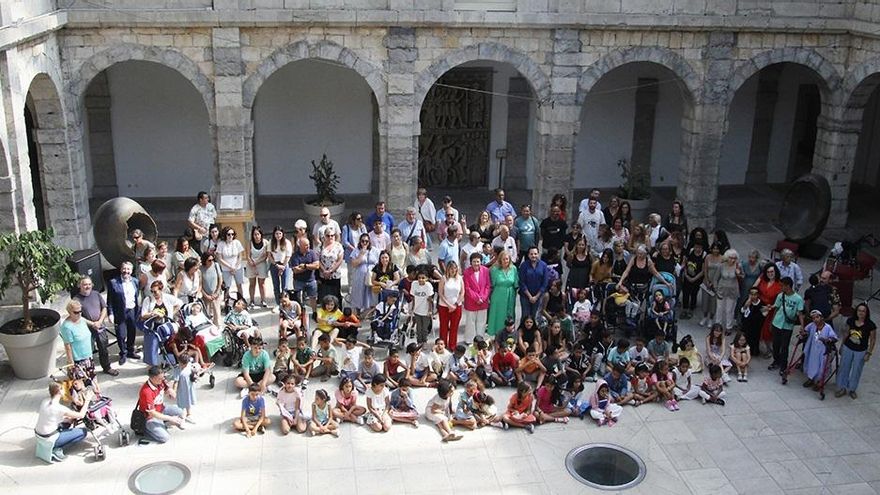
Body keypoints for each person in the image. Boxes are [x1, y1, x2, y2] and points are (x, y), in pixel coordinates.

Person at [35, 381, 93, 461]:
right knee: (83, 432)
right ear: (59, 391)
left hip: (39, 436)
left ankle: (58, 441)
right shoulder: (60, 408)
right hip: (50, 439)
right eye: (63, 389)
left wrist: (67, 419)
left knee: (68, 423)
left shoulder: (45, 401)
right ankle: (56, 448)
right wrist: (87, 400)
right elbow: (81, 415)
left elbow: (51, 416)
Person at [73, 276, 117, 376]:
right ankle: (87, 371)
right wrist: (92, 324)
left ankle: (106, 367)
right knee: (87, 351)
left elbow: (104, 308)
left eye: (89, 284)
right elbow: (77, 315)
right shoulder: (76, 299)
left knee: (103, 349)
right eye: (84, 284)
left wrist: (100, 321)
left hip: (100, 327)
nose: (87, 286)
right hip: (86, 329)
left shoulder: (96, 294)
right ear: (80, 285)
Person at [836, 302, 876, 399]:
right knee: (844, 367)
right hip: (848, 347)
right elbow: (846, 333)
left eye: (863, 311)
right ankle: (842, 387)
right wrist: (842, 346)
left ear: (866, 313)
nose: (861, 313)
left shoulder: (871, 325)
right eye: (859, 310)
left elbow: (873, 339)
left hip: (861, 350)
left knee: (856, 370)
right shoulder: (851, 320)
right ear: (856, 311)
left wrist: (869, 353)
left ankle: (852, 389)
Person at [60, 300, 101, 393]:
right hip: (77, 359)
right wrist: (71, 363)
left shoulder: (81, 319)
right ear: (69, 312)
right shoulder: (67, 327)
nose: (79, 314)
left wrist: (94, 324)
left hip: (88, 356)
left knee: (92, 379)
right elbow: (67, 346)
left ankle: (95, 394)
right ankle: (81, 402)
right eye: (76, 312)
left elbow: (85, 321)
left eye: (80, 311)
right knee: (80, 386)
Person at [137, 365, 186, 443]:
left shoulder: (160, 381)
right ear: (153, 378)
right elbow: (152, 413)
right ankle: (148, 429)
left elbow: (167, 388)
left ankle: (162, 422)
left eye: (163, 377)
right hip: (150, 417)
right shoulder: (146, 392)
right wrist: (170, 418)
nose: (162, 380)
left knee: (181, 411)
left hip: (162, 409)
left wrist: (171, 391)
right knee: (165, 438)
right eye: (160, 378)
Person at [768, 277, 805, 373]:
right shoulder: (780, 296)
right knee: (776, 345)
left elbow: (800, 313)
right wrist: (772, 322)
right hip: (777, 323)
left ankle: (783, 365)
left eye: (782, 286)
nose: (781, 287)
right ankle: (776, 360)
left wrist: (802, 326)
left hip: (788, 326)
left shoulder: (798, 299)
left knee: (784, 347)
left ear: (788, 286)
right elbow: (776, 308)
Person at [801, 310, 838, 389]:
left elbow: (834, 337)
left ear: (821, 317)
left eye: (817, 317)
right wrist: (803, 333)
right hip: (813, 350)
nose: (815, 320)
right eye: (813, 318)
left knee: (822, 366)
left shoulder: (827, 327)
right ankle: (810, 379)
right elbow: (806, 331)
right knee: (811, 364)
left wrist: (828, 340)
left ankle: (820, 382)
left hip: (823, 351)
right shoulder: (812, 325)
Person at [487, 251, 519, 336]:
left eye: (507, 259)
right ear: (500, 259)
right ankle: (497, 334)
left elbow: (516, 283)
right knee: (498, 315)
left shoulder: (514, 268)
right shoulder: (494, 269)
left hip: (510, 294)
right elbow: (492, 284)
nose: (505, 261)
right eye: (503, 259)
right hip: (498, 294)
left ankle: (509, 334)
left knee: (509, 314)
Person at [518, 246, 550, 325]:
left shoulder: (543, 265)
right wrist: (529, 296)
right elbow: (521, 282)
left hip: (538, 297)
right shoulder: (524, 265)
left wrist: (536, 296)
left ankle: (534, 335)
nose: (533, 256)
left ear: (538, 254)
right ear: (528, 255)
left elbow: (545, 282)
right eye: (531, 254)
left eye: (535, 254)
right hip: (525, 296)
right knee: (525, 316)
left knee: (535, 317)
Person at [350, 233, 380, 314]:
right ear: (360, 242)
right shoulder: (356, 251)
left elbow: (379, 263)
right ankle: (358, 311)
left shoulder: (375, 251)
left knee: (371, 294)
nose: (364, 243)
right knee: (359, 293)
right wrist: (361, 254)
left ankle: (371, 311)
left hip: (372, 275)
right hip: (360, 275)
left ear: (369, 241)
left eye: (366, 241)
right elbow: (354, 264)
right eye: (363, 241)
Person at [290, 236, 320, 315]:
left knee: (313, 298)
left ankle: (314, 313)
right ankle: (300, 314)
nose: (308, 246)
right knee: (298, 299)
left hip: (311, 280)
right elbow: (296, 270)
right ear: (300, 245)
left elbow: (317, 266)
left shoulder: (312, 253)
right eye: (306, 245)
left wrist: (304, 266)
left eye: (308, 244)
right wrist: (310, 267)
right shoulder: (295, 256)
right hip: (298, 281)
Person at [317, 226, 345, 302]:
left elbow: (340, 260)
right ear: (324, 236)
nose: (330, 237)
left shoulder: (338, 246)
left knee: (335, 295)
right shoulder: (320, 246)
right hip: (323, 275)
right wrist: (324, 271)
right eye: (328, 235)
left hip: (335, 275)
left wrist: (331, 271)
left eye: (332, 235)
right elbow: (317, 260)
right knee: (324, 295)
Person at [410, 271, 435, 345]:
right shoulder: (414, 284)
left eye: (423, 278)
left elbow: (430, 299)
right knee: (418, 328)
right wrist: (412, 307)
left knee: (424, 328)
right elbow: (413, 297)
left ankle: (424, 341)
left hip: (425, 311)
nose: (421, 279)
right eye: (419, 278)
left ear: (426, 278)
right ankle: (419, 341)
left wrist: (430, 310)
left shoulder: (428, 286)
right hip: (417, 310)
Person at [200, 251, 224, 326]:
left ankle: (218, 327)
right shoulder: (200, 269)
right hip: (206, 295)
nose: (211, 262)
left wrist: (217, 292)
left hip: (216, 294)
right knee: (207, 313)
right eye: (209, 260)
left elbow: (220, 279)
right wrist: (206, 295)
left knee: (216, 312)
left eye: (212, 259)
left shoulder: (216, 265)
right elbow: (199, 284)